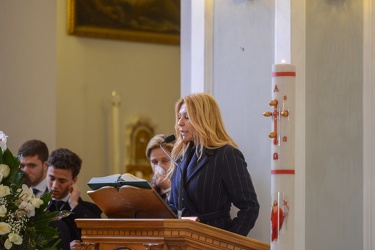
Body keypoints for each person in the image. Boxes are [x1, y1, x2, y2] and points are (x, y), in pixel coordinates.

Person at [167, 93, 260, 236]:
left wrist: (227, 243)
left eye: (187, 117)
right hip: (183, 242)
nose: (180, 123)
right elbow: (173, 206)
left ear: (204, 119)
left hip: (212, 240)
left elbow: (250, 207)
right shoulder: (179, 157)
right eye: (179, 117)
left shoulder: (226, 155)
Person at [46, 148, 102, 249]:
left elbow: (96, 238)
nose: (54, 185)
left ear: (74, 180)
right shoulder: (38, 207)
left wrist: (74, 204)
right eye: (52, 178)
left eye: (62, 181)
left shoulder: (91, 210)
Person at [145, 134, 174, 201]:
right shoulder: (148, 189)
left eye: (165, 161)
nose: (159, 166)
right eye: (154, 162)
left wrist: (169, 189)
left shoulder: (183, 188)